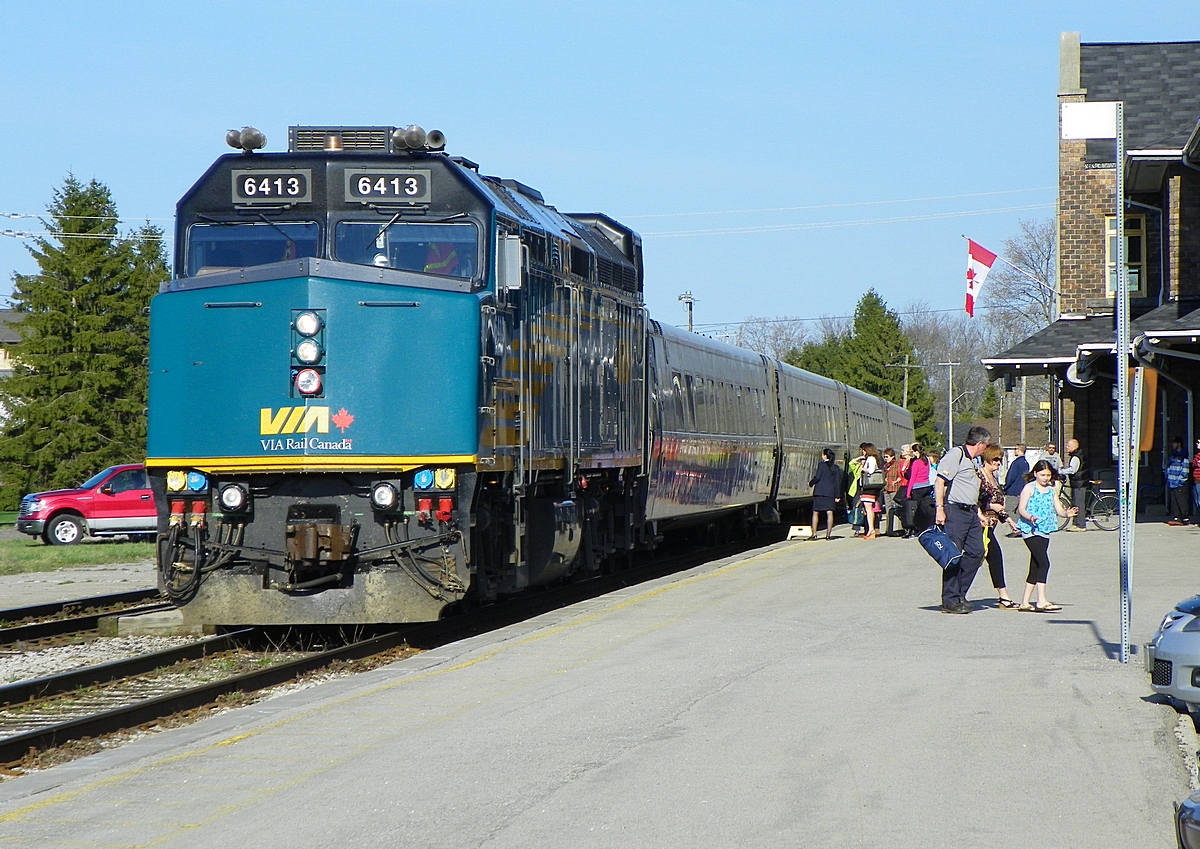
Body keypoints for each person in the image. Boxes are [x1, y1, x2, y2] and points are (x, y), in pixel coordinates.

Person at [933, 426, 991, 614]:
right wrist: (940, 509)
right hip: (955, 510)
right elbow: (940, 481)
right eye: (986, 445)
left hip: (971, 512)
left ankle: (959, 592)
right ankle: (950, 600)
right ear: (979, 443)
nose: (986, 449)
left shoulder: (973, 461)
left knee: (977, 551)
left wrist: (979, 513)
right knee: (954, 556)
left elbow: (971, 489)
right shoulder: (955, 455)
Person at [1015, 459, 1077, 611]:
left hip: (1045, 530)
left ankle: (1025, 602)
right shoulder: (1029, 488)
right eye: (1042, 475)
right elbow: (1021, 509)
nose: (1046, 478)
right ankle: (1041, 600)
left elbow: (1059, 509)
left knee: (1036, 565)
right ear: (1035, 473)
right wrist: (1030, 517)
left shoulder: (1051, 490)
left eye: (1048, 475)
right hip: (1030, 529)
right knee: (1044, 562)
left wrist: (1067, 514)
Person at [979, 444, 1018, 609]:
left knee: (979, 560)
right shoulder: (978, 476)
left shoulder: (993, 478)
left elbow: (999, 505)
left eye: (1000, 460)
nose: (998, 463)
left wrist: (1009, 521)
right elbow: (975, 502)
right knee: (993, 557)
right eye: (995, 459)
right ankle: (1004, 596)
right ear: (986, 458)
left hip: (992, 525)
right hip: (980, 525)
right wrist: (989, 507)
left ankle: (958, 593)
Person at [808, 449, 843, 540]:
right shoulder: (836, 468)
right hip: (830, 493)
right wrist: (837, 495)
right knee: (829, 513)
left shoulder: (821, 465)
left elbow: (817, 477)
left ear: (825, 456)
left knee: (816, 513)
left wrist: (811, 483)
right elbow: (837, 483)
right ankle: (828, 535)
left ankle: (814, 534)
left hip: (820, 492)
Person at [905, 443, 934, 534]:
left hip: (917, 487)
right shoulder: (927, 461)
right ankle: (927, 525)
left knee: (917, 510)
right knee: (925, 507)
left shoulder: (916, 463)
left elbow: (912, 477)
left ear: (916, 452)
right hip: (926, 485)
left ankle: (918, 528)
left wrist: (908, 492)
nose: (911, 454)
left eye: (912, 452)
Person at [1062, 438, 1089, 531]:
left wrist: (1061, 472)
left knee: (1079, 504)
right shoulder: (1077, 455)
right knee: (1075, 504)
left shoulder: (1076, 457)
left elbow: (1072, 470)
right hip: (1077, 483)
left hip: (1080, 484)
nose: (1066, 447)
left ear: (1074, 447)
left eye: (1068, 446)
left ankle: (1081, 525)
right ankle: (1075, 523)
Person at [857, 444, 883, 540]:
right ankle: (871, 530)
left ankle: (871, 530)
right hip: (869, 487)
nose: (862, 452)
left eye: (863, 450)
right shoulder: (873, 458)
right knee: (868, 509)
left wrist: (862, 468)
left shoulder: (871, 458)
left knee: (868, 509)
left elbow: (871, 470)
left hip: (869, 487)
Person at [1003, 444, 1030, 527]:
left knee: (1009, 510)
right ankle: (1021, 526)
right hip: (1022, 490)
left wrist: (1006, 486)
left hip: (1013, 490)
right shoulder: (1026, 463)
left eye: (1015, 449)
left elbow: (1011, 477)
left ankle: (1017, 527)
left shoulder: (1016, 463)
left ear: (1018, 450)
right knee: (1019, 511)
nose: (1014, 451)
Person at [1167, 437, 1191, 525]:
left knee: (1181, 501)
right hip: (1172, 481)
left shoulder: (1183, 456)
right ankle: (1176, 517)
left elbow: (1185, 469)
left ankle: (1184, 517)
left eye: (1174, 443)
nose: (1173, 445)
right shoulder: (1172, 455)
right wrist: (1169, 477)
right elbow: (1169, 467)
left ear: (1179, 444)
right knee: (1174, 501)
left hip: (1179, 483)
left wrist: (1180, 480)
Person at [1192, 438, 1200, 521]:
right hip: (1197, 480)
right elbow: (1194, 464)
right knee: (1197, 501)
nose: (1197, 444)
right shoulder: (1198, 455)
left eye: (1199, 442)